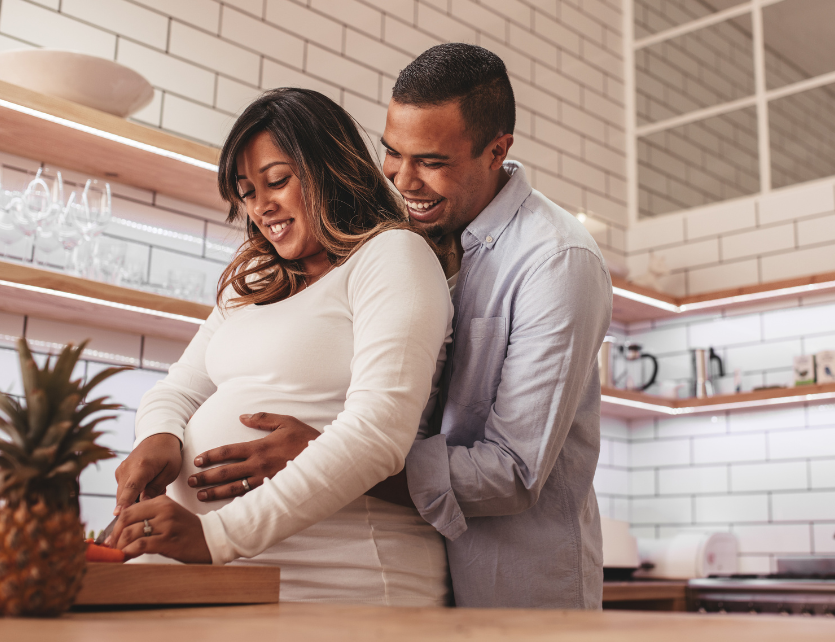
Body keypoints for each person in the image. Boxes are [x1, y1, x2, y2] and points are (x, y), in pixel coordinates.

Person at [169, 44, 614, 609]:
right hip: (422, 566)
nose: (404, 181)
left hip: (513, 587)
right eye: (392, 154)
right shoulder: (409, 234)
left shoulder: (556, 263)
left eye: (431, 161)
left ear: (496, 151)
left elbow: (512, 473)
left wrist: (318, 451)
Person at [105, 87, 454, 606]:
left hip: (335, 586)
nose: (261, 206)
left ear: (330, 168)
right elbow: (179, 387)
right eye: (246, 191)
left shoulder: (391, 257)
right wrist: (159, 434)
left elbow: (378, 435)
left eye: (277, 181)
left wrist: (215, 535)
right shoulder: (254, 275)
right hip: (214, 585)